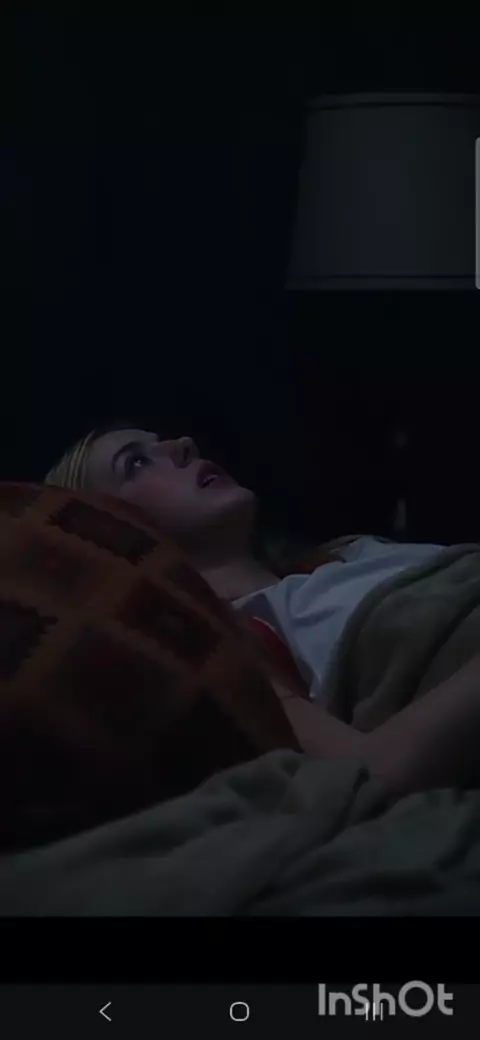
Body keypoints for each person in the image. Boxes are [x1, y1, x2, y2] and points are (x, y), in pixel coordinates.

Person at [45, 423, 480, 801]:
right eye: (135, 463)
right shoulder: (225, 646)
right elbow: (373, 774)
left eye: (161, 442)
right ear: (115, 532)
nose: (183, 444)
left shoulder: (348, 552)